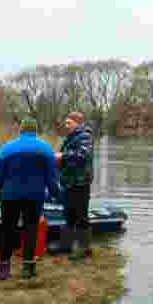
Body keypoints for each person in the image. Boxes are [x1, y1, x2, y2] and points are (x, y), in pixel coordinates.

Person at [0, 117, 60, 281]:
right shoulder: (45, 148)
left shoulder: (6, 148)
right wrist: (56, 194)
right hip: (34, 196)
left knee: (7, 230)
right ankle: (28, 268)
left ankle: (4, 269)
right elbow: (51, 178)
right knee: (31, 229)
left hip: (10, 196)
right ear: (35, 130)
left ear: (21, 130)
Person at [60, 111, 94, 262]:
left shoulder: (85, 136)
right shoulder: (70, 137)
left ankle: (84, 248)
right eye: (65, 123)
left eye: (68, 123)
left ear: (77, 123)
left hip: (81, 182)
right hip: (69, 181)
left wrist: (62, 156)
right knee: (68, 214)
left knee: (81, 216)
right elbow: (67, 156)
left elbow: (82, 155)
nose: (66, 125)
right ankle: (66, 245)